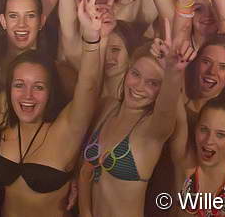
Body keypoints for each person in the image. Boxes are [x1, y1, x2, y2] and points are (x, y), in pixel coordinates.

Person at [0, 0, 103, 216]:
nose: (28, 95)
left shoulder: (65, 129)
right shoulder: (3, 121)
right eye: (19, 85)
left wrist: (92, 39)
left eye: (38, 87)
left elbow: (89, 87)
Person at [80, 20, 191, 216]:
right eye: (136, 74)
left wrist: (172, 74)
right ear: (128, 70)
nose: (139, 86)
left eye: (152, 83)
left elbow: (166, 108)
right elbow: (86, 172)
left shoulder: (151, 130)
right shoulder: (107, 108)